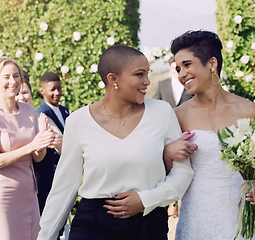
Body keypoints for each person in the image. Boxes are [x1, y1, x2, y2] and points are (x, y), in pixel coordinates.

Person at [37, 45, 194, 240]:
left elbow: (183, 171)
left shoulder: (162, 112)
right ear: (113, 79)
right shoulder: (78, 122)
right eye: (139, 74)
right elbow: (63, 188)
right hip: (93, 225)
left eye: (147, 74)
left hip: (148, 224)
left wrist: (146, 200)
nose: (147, 82)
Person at [168, 30, 255, 240]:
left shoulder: (250, 111)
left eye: (187, 65)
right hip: (196, 221)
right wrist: (168, 152)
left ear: (212, 63)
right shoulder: (177, 116)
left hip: (239, 219)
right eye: (178, 69)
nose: (181, 74)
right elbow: (165, 172)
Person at [0, 57, 54, 240]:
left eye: (16, 76)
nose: (13, 81)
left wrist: (42, 141)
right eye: (6, 77)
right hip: (2, 197)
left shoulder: (29, 110)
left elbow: (38, 157)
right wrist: (32, 145)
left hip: (28, 193)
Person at [153, 56, 192, 217]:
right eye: (175, 68)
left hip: (187, 132)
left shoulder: (191, 86)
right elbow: (155, 105)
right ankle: (172, 203)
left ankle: (182, 203)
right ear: (170, 68)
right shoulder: (162, 85)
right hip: (166, 134)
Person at [34, 72, 70, 214]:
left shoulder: (64, 110)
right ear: (42, 91)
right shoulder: (41, 114)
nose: (57, 93)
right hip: (50, 173)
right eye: (53, 89)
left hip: (64, 171)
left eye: (59, 88)